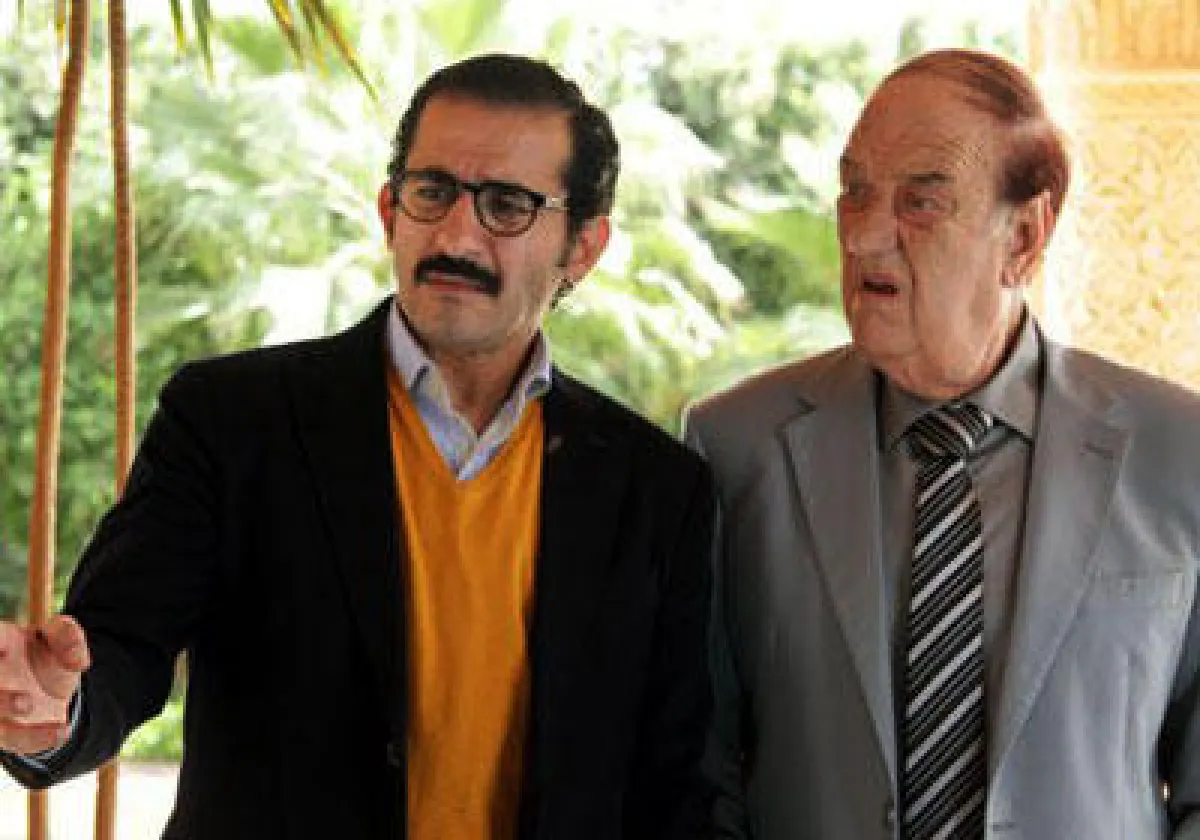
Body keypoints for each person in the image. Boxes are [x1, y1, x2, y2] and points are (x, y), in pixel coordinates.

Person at [0, 54, 716, 840]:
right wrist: (54, 708)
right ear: (389, 211)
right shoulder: (232, 420)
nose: (455, 235)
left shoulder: (657, 489)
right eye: (432, 191)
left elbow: (678, 784)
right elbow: (116, 649)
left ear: (582, 247)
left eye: (507, 206)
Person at [687, 48, 1200, 840]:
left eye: (920, 202)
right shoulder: (735, 446)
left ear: (1023, 237)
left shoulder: (1178, 451)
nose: (863, 235)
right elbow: (697, 777)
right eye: (855, 190)